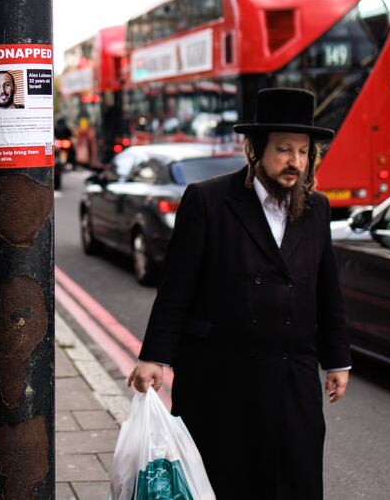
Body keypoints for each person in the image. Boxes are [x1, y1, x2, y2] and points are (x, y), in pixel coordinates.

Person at [128, 87, 351, 499]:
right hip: (222, 380)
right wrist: (154, 356)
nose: (295, 163)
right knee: (228, 483)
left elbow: (326, 289)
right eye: (284, 150)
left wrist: (337, 360)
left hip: (292, 379)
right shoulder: (209, 201)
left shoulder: (316, 209)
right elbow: (177, 287)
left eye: (304, 152)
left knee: (295, 481)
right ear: (255, 150)